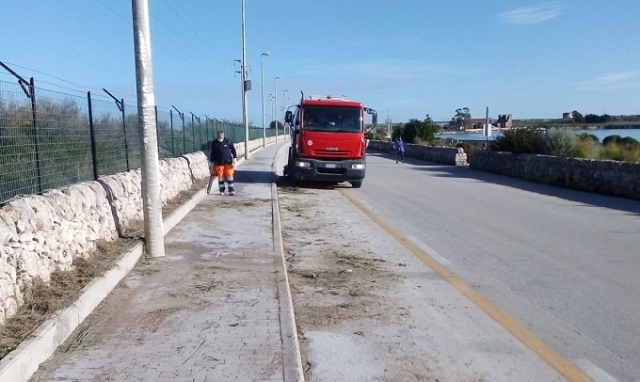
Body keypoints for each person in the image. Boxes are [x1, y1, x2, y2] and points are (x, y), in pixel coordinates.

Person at [209, 130, 238, 195]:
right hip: (219, 164)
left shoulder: (228, 141)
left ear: (223, 135)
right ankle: (221, 190)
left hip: (229, 163)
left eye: (221, 134)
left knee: (229, 176)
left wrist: (234, 160)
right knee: (220, 177)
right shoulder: (214, 143)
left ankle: (231, 190)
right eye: (219, 134)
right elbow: (212, 153)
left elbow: (233, 150)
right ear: (217, 135)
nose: (220, 136)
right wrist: (212, 163)